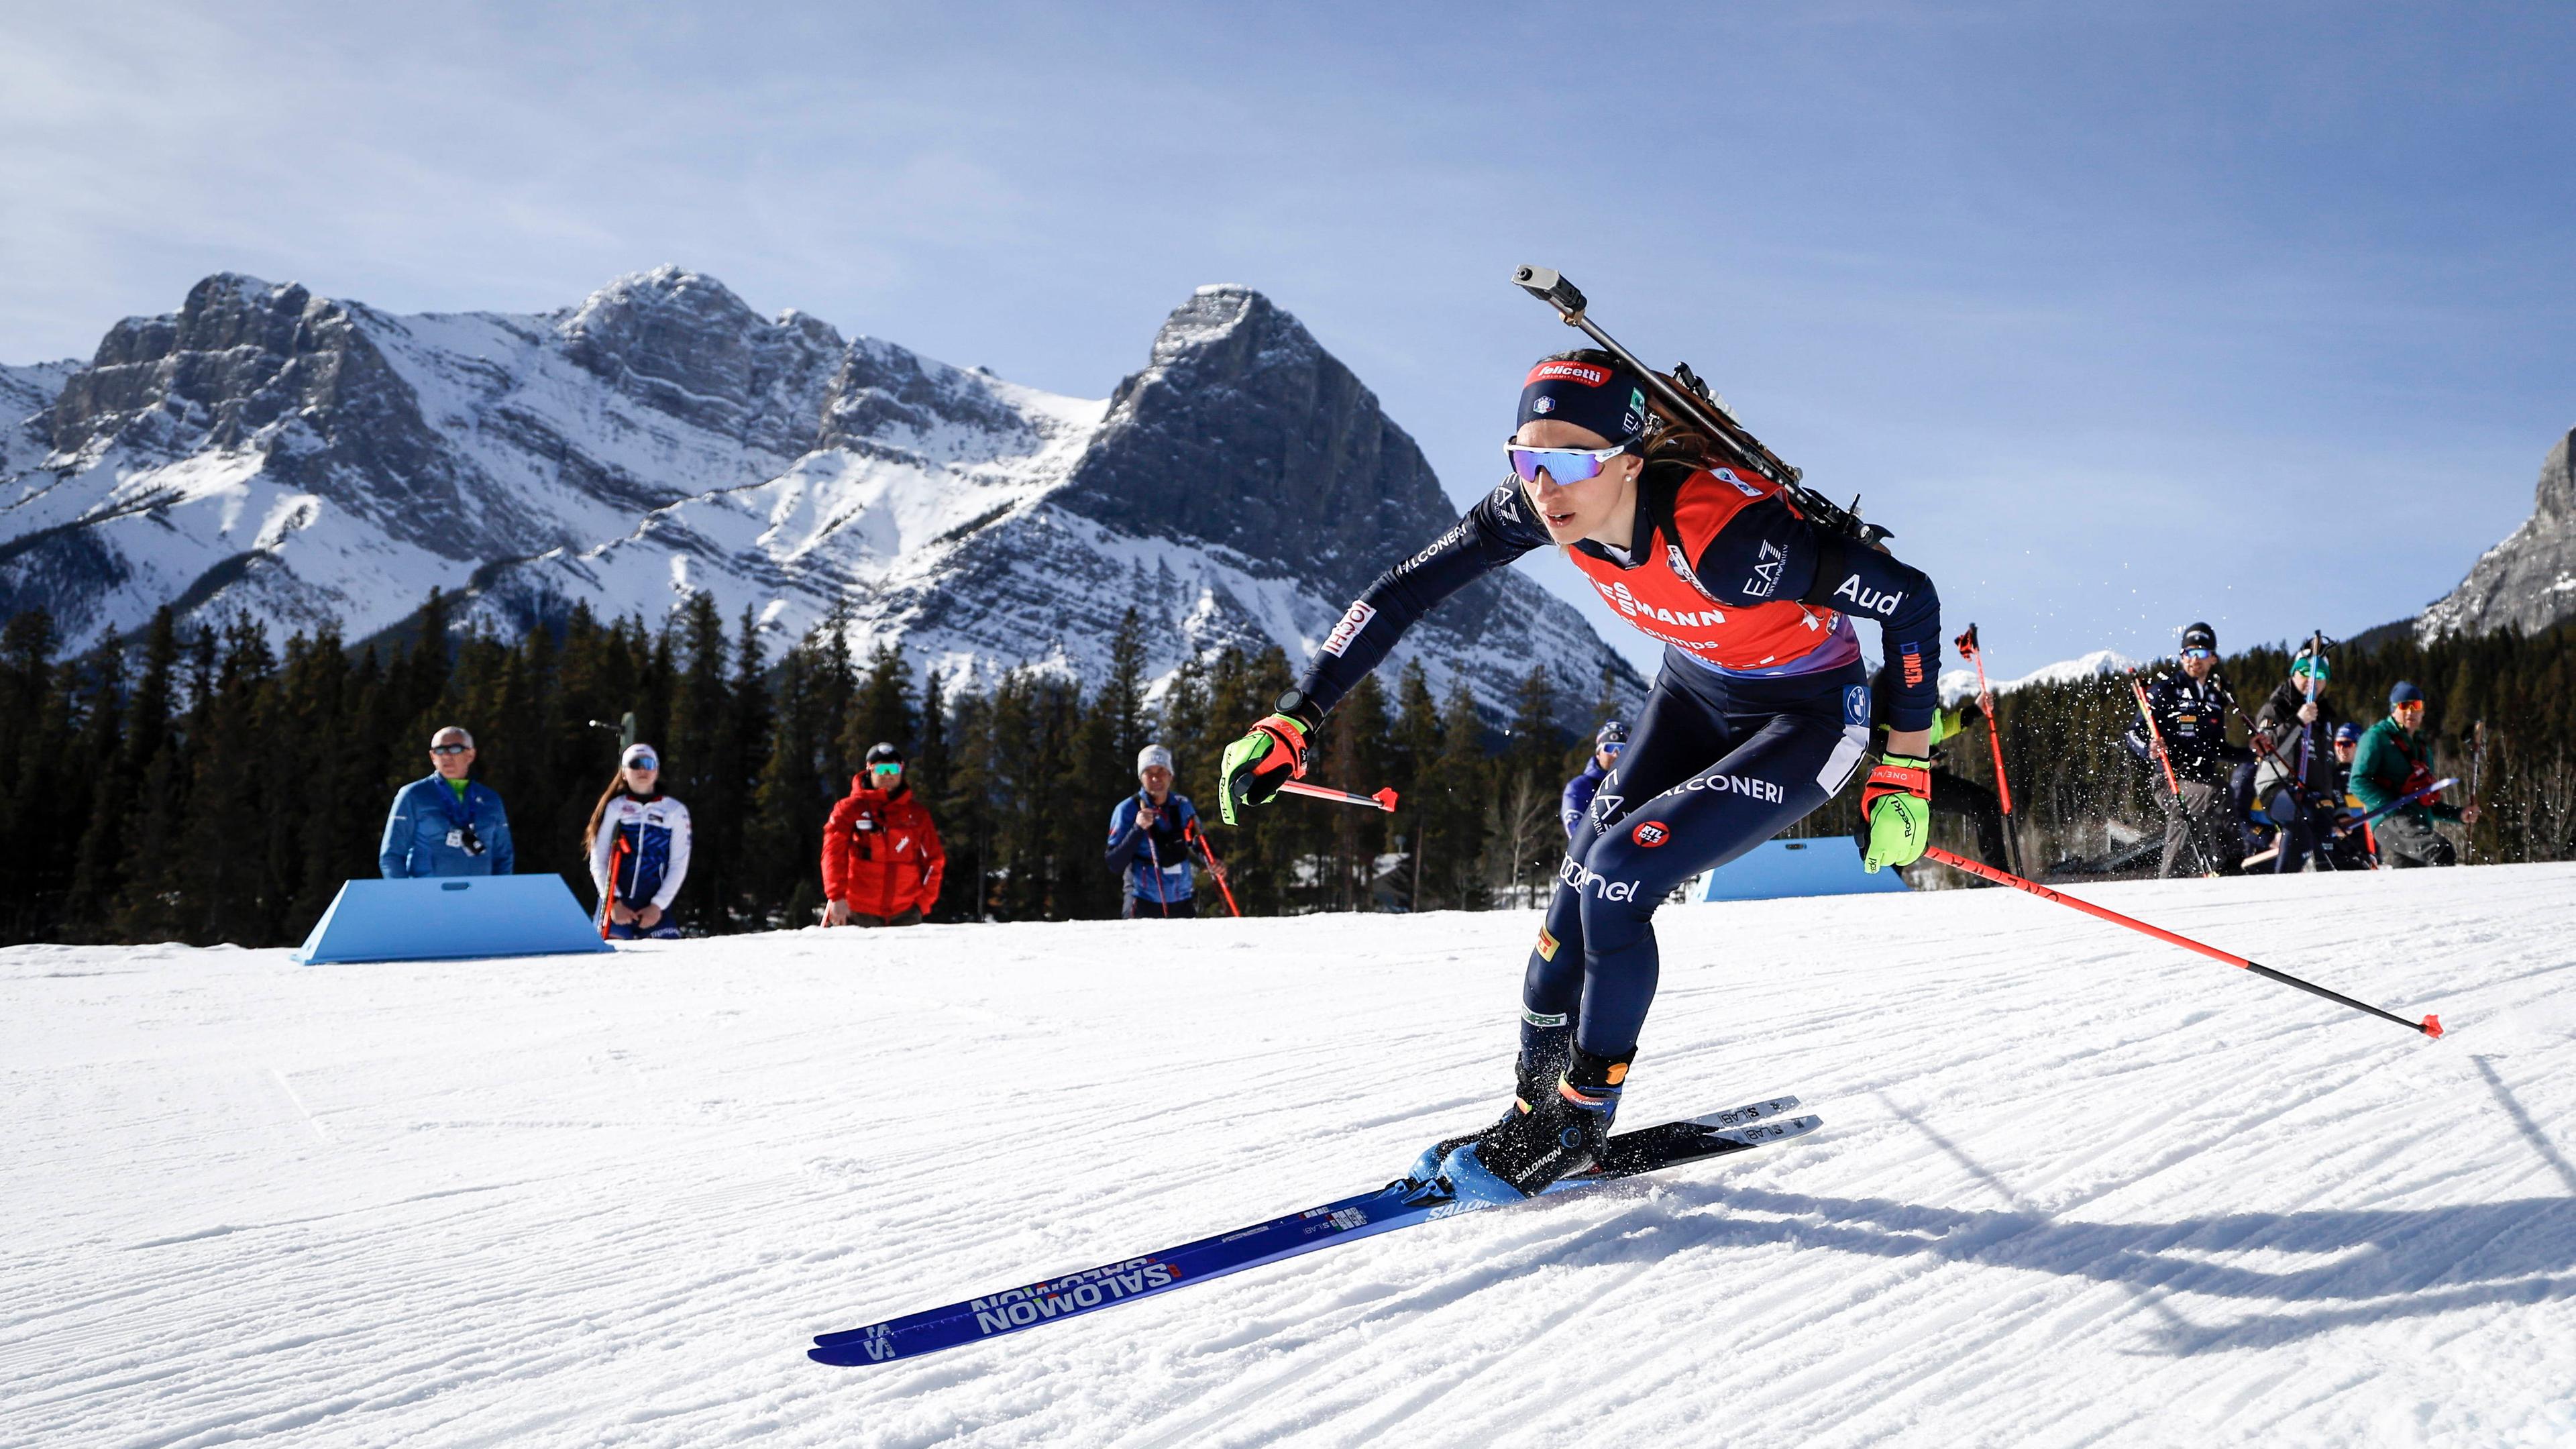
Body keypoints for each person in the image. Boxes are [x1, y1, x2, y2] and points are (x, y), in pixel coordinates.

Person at [1216, 346, 1942, 1204]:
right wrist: (1296, 714)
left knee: (1622, 876)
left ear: (1630, 462)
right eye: (1525, 460)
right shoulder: (1538, 509)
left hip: (1808, 718)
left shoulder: (1730, 540)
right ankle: (1532, 1107)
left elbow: (1911, 599)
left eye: (1568, 462)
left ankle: (1581, 1117)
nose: (1543, 487)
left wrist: (1906, 761)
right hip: (1694, 694)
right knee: (1571, 896)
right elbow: (1404, 590)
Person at [2122, 623, 2249, 876]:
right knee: (2217, 794)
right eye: (2189, 653)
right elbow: (2132, 733)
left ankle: (2178, 876)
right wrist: (2149, 748)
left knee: (2201, 806)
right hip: (2170, 779)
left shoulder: (2213, 698)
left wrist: (2253, 753)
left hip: (2200, 781)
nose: (2195, 660)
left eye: (2202, 654)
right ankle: (2230, 864)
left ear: (2213, 658)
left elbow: (2218, 748)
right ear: (2182, 657)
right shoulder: (2165, 691)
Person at [1852, 665, 2008, 872]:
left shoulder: (1927, 682)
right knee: (1895, 835)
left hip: (1924, 777)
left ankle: (1999, 876)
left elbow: (1935, 731)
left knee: (1984, 803)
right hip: (1895, 780)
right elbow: (1865, 734)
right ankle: (1884, 884)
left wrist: (1975, 710)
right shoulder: (1886, 680)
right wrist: (1911, 759)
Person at [2350, 682, 2478, 867]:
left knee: (2412, 881)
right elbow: (2358, 782)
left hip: (2417, 822)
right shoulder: (2376, 738)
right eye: (2404, 706)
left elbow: (2425, 800)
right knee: (2441, 850)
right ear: (2394, 709)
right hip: (2388, 820)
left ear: (2423, 711)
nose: (2411, 712)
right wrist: (2392, 805)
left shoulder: (2422, 746)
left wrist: (2459, 815)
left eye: (2416, 706)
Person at [822, 743, 945, 926]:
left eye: (894, 769)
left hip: (907, 913)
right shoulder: (848, 810)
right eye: (882, 769)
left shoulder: (918, 814)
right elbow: (833, 855)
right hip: (858, 911)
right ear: (869, 769)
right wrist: (836, 896)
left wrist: (924, 902)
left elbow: (935, 859)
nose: (888, 775)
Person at [584, 743, 692, 939]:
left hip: (655, 907)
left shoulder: (675, 811)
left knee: (666, 958)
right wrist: (613, 902)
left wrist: (657, 905)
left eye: (649, 764)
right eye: (635, 764)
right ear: (624, 773)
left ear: (656, 771)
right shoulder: (615, 808)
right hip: (615, 905)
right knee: (608, 959)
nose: (643, 769)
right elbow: (598, 860)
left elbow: (679, 864)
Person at [2249, 648, 2343, 873]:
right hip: (2278, 787)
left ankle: (2326, 875)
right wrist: (2299, 721)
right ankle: (2285, 881)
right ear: (2293, 674)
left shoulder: (2325, 717)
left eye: (2319, 676)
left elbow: (2328, 767)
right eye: (2304, 673)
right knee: (2303, 815)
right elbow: (2267, 749)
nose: (2312, 680)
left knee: (2323, 823)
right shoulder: (2276, 707)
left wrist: (2340, 808)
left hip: (2313, 794)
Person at [378, 726, 515, 878]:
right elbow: (392, 855)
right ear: (432, 756)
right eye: (440, 750)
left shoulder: (491, 799)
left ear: (471, 754)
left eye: (455, 749)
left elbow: (504, 856)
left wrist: (496, 895)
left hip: (478, 897)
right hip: (429, 897)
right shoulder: (413, 795)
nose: (446, 756)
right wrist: (406, 898)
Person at [1106, 744, 1201, 918]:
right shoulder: (1127, 809)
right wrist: (1138, 829)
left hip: (1182, 900)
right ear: (1141, 777)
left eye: (1161, 771)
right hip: (1142, 902)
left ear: (1170, 776)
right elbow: (1114, 862)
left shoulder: (1183, 805)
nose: (1156, 778)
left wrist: (1214, 862)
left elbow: (1198, 842)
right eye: (1149, 773)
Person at [1560, 722, 1627, 839]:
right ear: (1598, 754)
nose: (1616, 755)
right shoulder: (1579, 787)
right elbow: (1577, 834)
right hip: (1595, 855)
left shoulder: (1638, 784)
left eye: (1622, 748)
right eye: (1610, 748)